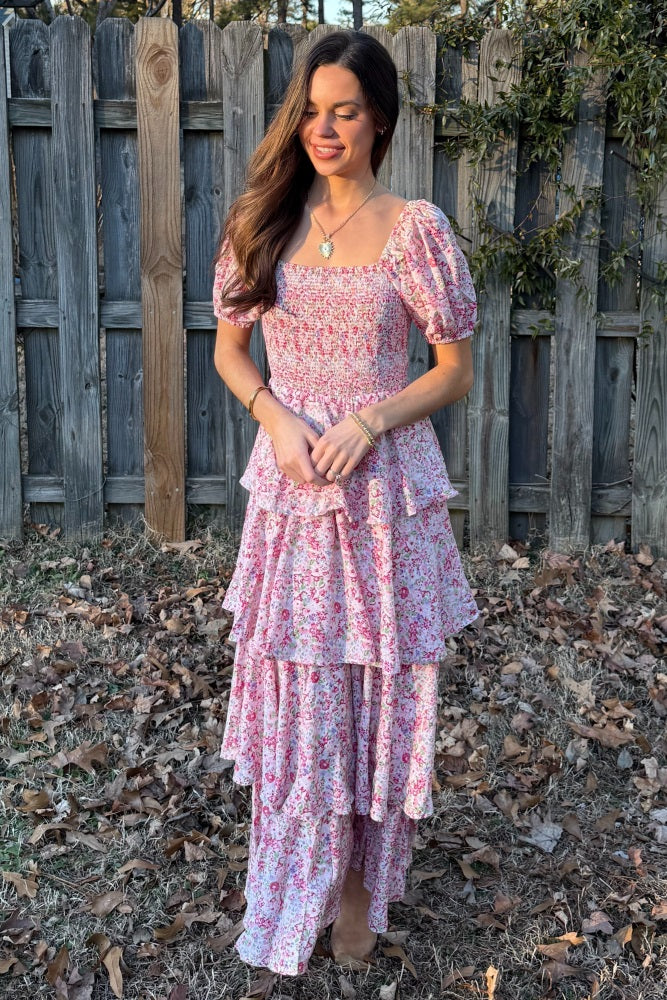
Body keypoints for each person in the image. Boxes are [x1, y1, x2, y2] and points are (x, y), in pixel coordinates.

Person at [211, 29, 478, 979]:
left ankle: (359, 894)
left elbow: (451, 370)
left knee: (373, 692)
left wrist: (371, 419)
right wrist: (275, 419)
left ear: (379, 121)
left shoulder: (415, 229)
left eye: (346, 112)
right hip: (291, 500)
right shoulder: (264, 221)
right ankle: (294, 876)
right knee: (300, 691)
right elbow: (230, 351)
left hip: (380, 505)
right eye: (312, 112)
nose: (324, 130)